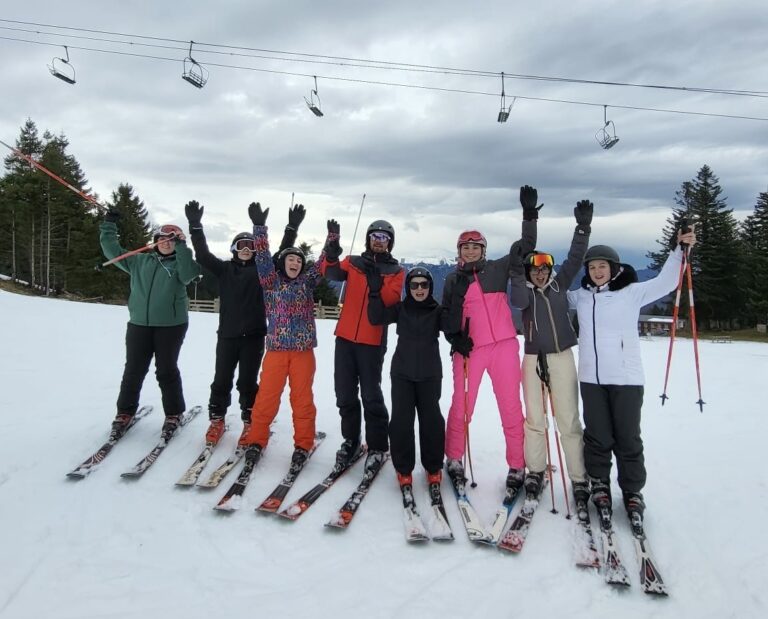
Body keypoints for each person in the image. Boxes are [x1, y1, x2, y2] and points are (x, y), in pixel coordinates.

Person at [567, 225, 698, 521]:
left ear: (614, 268)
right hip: (591, 379)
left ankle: (632, 490)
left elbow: (667, 282)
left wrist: (679, 250)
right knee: (597, 436)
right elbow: (554, 297)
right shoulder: (581, 296)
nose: (597, 272)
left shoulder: (632, 292)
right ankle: (599, 482)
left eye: (602, 266)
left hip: (626, 379)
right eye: (592, 267)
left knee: (628, 437)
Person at [184, 199, 304, 446]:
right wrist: (195, 226)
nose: (247, 248)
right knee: (221, 380)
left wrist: (291, 228)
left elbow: (282, 252)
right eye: (242, 245)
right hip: (227, 335)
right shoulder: (224, 269)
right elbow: (202, 255)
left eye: (251, 245)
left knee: (247, 383)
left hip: (254, 336)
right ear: (233, 248)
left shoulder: (263, 271)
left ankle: (250, 422)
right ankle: (217, 419)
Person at [442, 186, 537, 492]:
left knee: (510, 406)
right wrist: (455, 338)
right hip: (469, 351)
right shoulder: (453, 280)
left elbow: (526, 246)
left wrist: (529, 216)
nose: (470, 251)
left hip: (504, 347)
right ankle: (454, 458)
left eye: (475, 247)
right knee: (461, 406)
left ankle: (517, 464)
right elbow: (447, 316)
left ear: (483, 250)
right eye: (465, 247)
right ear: (459, 252)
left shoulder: (498, 269)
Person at [510, 199, 593, 505]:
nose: (540, 274)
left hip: (562, 357)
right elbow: (517, 301)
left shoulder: (560, 286)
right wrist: (518, 270)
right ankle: (535, 470)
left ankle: (579, 477)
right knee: (534, 418)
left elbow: (575, 258)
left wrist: (582, 228)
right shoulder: (524, 293)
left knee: (568, 419)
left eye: (544, 269)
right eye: (535, 270)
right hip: (533, 358)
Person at [100, 211, 201, 439]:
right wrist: (109, 224)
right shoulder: (139, 261)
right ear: (155, 241)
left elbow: (188, 275)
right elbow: (112, 250)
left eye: (172, 240)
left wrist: (183, 247)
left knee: (166, 370)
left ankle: (174, 413)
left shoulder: (182, 264)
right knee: (133, 370)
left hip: (171, 326)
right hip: (139, 324)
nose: (166, 243)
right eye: (162, 239)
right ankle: (124, 412)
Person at [239, 203, 325, 466]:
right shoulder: (270, 282)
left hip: (302, 353)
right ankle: (256, 440)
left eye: (299, 260)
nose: (295, 263)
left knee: (302, 400)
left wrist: (331, 242)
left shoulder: (306, 283)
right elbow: (263, 257)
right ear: (282, 263)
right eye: (291, 259)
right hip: (276, 350)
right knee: (266, 397)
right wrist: (259, 227)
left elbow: (322, 266)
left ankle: (303, 445)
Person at [321, 219, 405, 470]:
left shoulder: (395, 271)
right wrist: (331, 251)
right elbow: (330, 272)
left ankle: (377, 445)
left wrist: (376, 284)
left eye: (384, 238)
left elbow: (390, 302)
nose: (379, 241)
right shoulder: (354, 262)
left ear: (390, 243)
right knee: (344, 393)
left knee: (370, 394)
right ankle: (351, 439)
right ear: (368, 239)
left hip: (372, 341)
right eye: (375, 236)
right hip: (345, 338)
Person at [367, 266, 447, 497]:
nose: (419, 289)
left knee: (432, 421)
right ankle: (403, 468)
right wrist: (375, 292)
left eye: (424, 285)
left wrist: (457, 301)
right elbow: (376, 317)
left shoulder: (437, 311)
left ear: (430, 287)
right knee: (401, 422)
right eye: (414, 285)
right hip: (402, 374)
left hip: (430, 374)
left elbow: (453, 327)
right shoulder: (401, 309)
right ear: (408, 287)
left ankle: (433, 467)